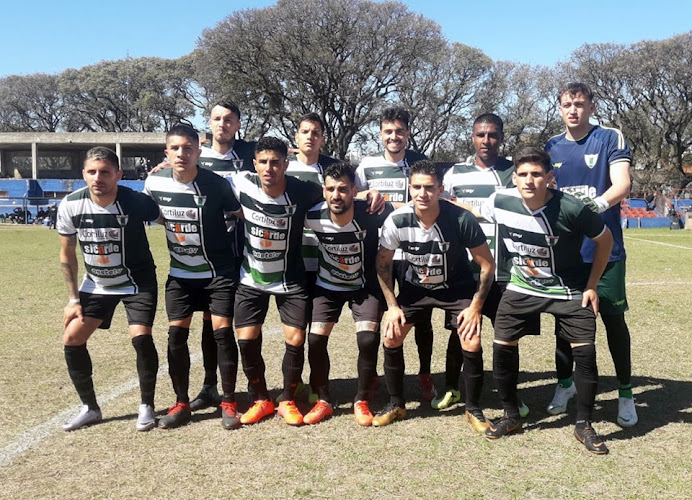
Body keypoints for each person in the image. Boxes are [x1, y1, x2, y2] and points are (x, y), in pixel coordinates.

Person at [482, 147, 613, 455]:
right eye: (523, 174)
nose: (529, 180)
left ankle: (584, 424)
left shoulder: (572, 208)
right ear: (514, 178)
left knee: (585, 353)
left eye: (537, 174)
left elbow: (605, 240)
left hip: (568, 289)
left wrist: (591, 286)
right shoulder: (499, 201)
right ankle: (511, 414)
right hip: (522, 287)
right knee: (502, 346)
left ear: (549, 177)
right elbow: (468, 213)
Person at [374, 160, 495, 429]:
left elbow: (487, 265)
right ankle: (397, 404)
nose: (422, 193)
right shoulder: (397, 220)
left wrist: (475, 307)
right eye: (416, 187)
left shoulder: (461, 219)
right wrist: (392, 306)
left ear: (440, 190)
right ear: (409, 188)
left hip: (457, 288)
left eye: (429, 187)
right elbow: (382, 265)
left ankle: (473, 409)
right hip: (416, 289)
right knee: (391, 335)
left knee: (471, 340)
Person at [545, 82, 638, 427]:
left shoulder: (610, 137)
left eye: (580, 104)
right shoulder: (552, 145)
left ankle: (625, 393)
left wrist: (592, 207)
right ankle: (565, 384)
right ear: (559, 108)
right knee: (563, 324)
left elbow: (622, 184)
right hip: (567, 253)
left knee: (613, 321)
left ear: (591, 107)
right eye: (567, 104)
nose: (573, 110)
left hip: (604, 250)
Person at [143, 124, 242, 430]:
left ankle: (228, 401)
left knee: (222, 333)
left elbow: (240, 216)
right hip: (180, 275)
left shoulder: (217, 184)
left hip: (218, 273)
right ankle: (181, 403)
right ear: (166, 153)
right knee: (176, 336)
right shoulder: (154, 183)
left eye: (188, 148)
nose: (182, 154)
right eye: (175, 148)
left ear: (199, 152)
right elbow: (151, 215)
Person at [58, 147, 161, 432]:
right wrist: (73, 299)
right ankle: (89, 408)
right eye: (92, 172)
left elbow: (164, 218)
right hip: (97, 284)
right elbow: (67, 252)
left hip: (137, 282)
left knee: (141, 337)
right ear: (83, 174)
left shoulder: (135, 201)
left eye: (105, 172)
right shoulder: (70, 205)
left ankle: (147, 405)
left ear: (118, 175)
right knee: (72, 338)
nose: (98, 178)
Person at [438, 113, 532, 421]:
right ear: (472, 137)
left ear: (501, 137)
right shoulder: (456, 173)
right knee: (460, 330)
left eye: (492, 135)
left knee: (507, 336)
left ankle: (511, 396)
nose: (486, 141)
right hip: (466, 270)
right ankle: (451, 387)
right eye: (480, 135)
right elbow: (444, 208)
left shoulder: (514, 172)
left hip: (506, 268)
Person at [228, 137, 323, 426]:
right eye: (263, 162)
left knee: (295, 339)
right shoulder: (240, 183)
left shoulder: (303, 190)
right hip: (251, 278)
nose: (269, 168)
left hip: (290, 279)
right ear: (254, 164)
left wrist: (367, 192)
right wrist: (167, 167)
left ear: (285, 164)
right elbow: (200, 179)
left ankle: (287, 400)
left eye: (275, 162)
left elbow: (336, 192)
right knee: (246, 340)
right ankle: (261, 399)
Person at [355, 106, 437, 402]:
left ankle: (425, 374)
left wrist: (392, 205)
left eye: (399, 131)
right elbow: (353, 195)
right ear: (380, 134)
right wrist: (367, 194)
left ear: (408, 133)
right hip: (380, 253)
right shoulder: (368, 165)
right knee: (380, 316)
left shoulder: (420, 162)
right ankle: (378, 375)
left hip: (414, 253)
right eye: (388, 131)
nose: (394, 136)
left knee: (421, 317)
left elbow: (430, 201)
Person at [303, 163, 395, 425]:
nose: (336, 195)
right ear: (324, 191)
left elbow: (403, 211)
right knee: (315, 340)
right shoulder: (312, 215)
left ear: (355, 190)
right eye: (330, 189)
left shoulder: (371, 212)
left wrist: (377, 194)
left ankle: (361, 399)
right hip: (327, 286)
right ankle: (323, 399)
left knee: (367, 339)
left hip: (364, 287)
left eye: (343, 189)